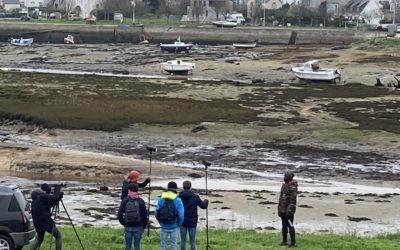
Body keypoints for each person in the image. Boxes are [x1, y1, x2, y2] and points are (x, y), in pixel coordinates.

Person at [30, 183, 62, 250]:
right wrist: (57, 189)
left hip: (37, 223)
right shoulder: (42, 197)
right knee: (58, 236)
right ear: (39, 194)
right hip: (46, 222)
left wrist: (57, 196)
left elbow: (49, 203)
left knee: (39, 238)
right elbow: (55, 198)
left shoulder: (34, 202)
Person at [178, 180, 208, 250]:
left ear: (183, 187)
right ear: (190, 187)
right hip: (192, 221)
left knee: (183, 240)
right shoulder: (195, 197)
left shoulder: (179, 197)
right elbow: (204, 206)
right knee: (192, 241)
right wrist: (206, 200)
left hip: (182, 221)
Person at [118, 183, 148, 250]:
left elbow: (119, 216)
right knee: (137, 246)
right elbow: (145, 216)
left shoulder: (125, 201)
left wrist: (124, 223)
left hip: (128, 226)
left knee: (127, 247)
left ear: (129, 190)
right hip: (138, 227)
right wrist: (143, 226)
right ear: (137, 191)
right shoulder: (141, 201)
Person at [155, 181, 184, 250]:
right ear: (175, 189)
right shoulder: (178, 200)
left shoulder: (161, 199)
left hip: (163, 225)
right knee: (173, 245)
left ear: (167, 188)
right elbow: (181, 214)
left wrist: (160, 222)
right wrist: (179, 224)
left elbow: (156, 212)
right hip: (174, 225)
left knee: (162, 245)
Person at [277, 171, 298, 248]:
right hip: (282, 209)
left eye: (286, 176)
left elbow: (293, 200)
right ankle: (284, 241)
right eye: (284, 176)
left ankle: (293, 243)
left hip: (289, 211)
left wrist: (289, 211)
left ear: (290, 177)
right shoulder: (284, 185)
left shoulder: (293, 187)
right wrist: (279, 209)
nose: (284, 177)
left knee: (290, 225)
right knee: (284, 225)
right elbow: (280, 198)